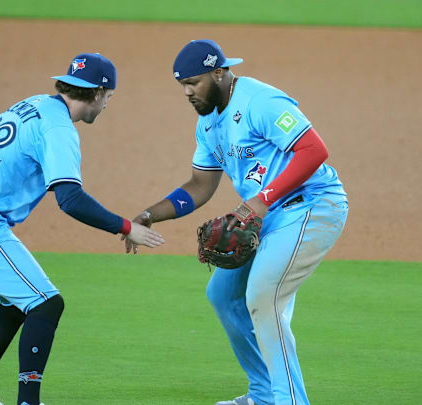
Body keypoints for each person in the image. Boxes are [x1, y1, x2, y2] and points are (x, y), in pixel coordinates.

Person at [0, 52, 165, 405]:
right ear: (98, 93)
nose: (107, 106)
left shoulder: (35, 104)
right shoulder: (58, 128)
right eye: (110, 98)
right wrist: (126, 226)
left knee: (20, 300)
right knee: (46, 304)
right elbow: (70, 199)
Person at [124, 40, 348, 405]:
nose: (186, 92)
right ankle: (263, 394)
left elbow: (314, 150)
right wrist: (149, 214)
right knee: (222, 294)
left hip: (312, 206)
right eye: (182, 84)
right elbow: (200, 185)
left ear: (218, 73)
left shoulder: (261, 102)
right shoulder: (207, 124)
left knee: (263, 295)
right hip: (268, 216)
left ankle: (290, 400)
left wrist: (260, 201)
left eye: (193, 82)